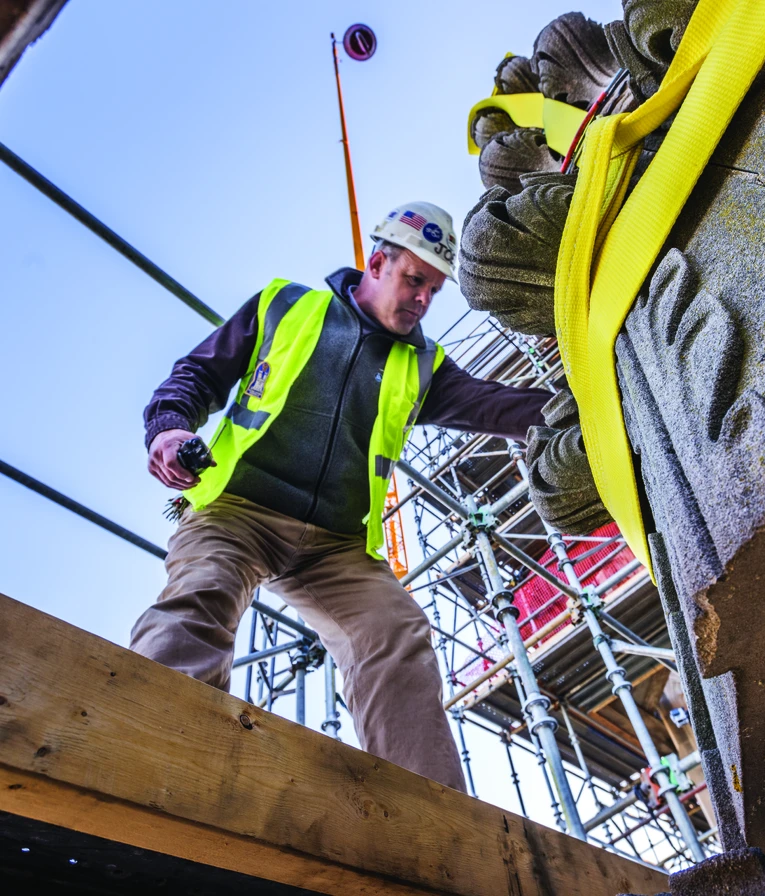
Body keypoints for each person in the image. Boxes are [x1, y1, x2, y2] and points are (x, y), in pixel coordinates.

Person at [130, 201, 549, 792]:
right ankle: (146, 755)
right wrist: (170, 427)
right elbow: (198, 375)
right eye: (414, 280)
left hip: (337, 547)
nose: (423, 299)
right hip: (237, 514)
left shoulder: (424, 365)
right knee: (201, 594)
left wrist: (580, 408)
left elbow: (496, 406)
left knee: (394, 633)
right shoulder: (286, 307)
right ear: (377, 262)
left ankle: (431, 814)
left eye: (434, 289)